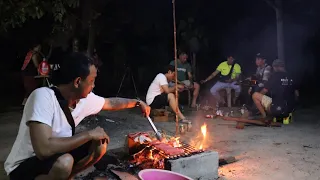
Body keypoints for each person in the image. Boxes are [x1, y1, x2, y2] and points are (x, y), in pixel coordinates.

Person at [5, 52, 151, 180]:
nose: (94, 86)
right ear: (77, 82)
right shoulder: (43, 97)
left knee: (100, 144)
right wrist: (88, 134)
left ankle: (68, 177)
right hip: (24, 166)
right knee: (65, 162)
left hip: (54, 156)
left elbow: (111, 103)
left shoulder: (83, 99)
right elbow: (43, 150)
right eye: (92, 81)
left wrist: (137, 103)